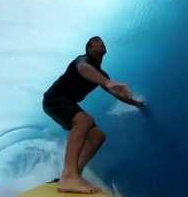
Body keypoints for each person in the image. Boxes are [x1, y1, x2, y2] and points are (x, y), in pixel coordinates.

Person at [42, 36, 145, 194]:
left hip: (67, 101)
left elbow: (116, 92)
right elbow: (83, 69)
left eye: (102, 41)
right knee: (84, 121)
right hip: (54, 98)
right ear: (89, 49)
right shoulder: (83, 60)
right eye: (95, 41)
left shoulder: (101, 74)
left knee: (98, 137)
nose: (100, 42)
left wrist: (136, 104)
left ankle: (75, 174)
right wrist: (107, 82)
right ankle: (68, 176)